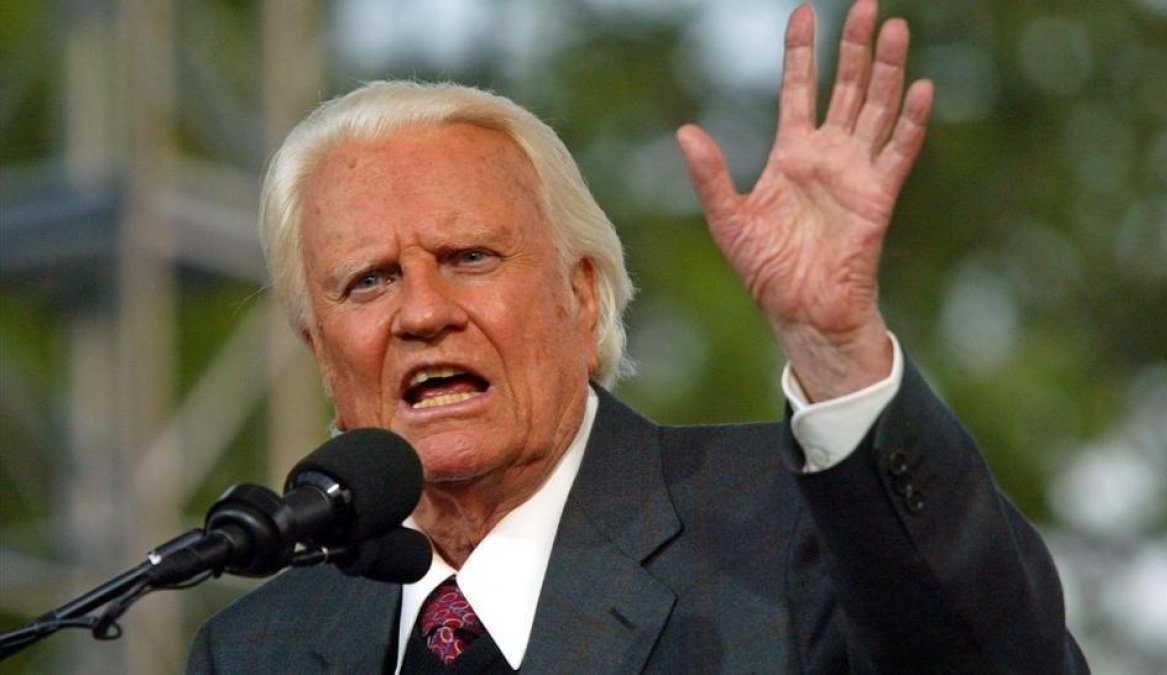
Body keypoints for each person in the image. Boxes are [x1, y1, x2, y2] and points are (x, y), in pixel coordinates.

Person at [188, 1, 1088, 672]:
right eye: (369, 280)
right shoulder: (257, 646)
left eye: (468, 256)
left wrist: (836, 349)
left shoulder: (788, 531)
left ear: (583, 299)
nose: (422, 312)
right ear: (320, 350)